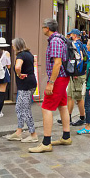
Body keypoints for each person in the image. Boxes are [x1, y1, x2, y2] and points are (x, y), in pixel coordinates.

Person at [29, 18, 71, 153]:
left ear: (47, 28)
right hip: (62, 78)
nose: (42, 29)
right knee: (62, 105)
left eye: (43, 27)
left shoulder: (55, 41)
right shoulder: (60, 39)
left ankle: (46, 142)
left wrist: (51, 83)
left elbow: (57, 63)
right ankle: (66, 136)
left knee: (46, 107)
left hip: (58, 78)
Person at [6, 38, 38, 143]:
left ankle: (33, 134)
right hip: (30, 83)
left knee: (25, 109)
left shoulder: (20, 55)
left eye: (13, 45)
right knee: (19, 107)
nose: (12, 47)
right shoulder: (28, 54)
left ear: (17, 46)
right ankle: (18, 132)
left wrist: (19, 74)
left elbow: (18, 67)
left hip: (25, 86)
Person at [57, 29, 86, 126]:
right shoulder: (80, 44)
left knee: (78, 97)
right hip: (75, 74)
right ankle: (67, 117)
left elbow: (79, 59)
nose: (69, 37)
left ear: (74, 35)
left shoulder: (75, 45)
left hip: (77, 74)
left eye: (70, 35)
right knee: (70, 96)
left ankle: (82, 118)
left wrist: (76, 72)